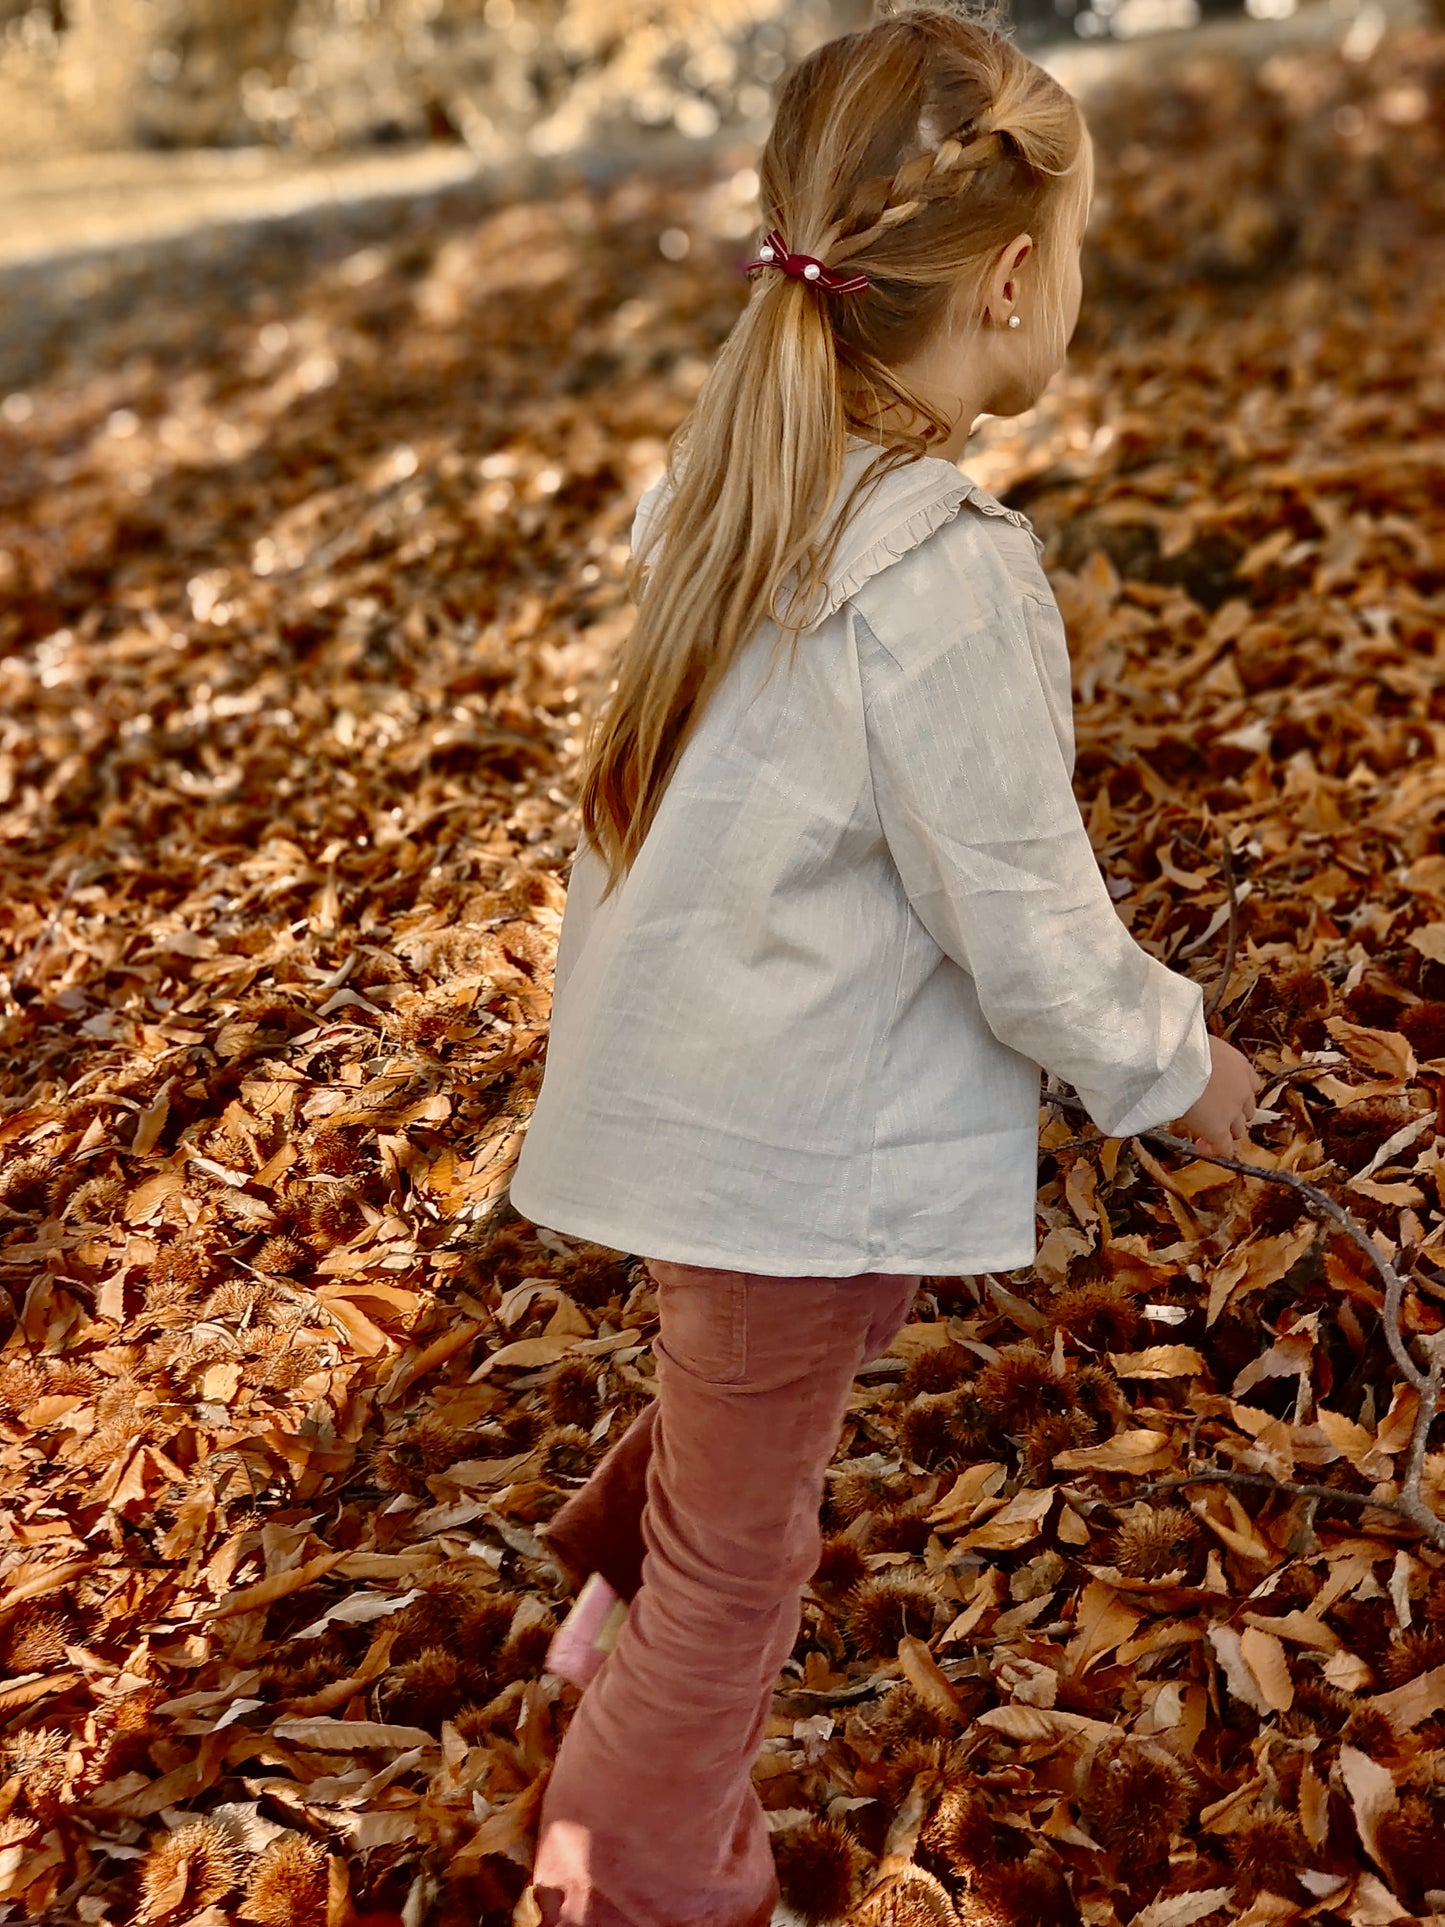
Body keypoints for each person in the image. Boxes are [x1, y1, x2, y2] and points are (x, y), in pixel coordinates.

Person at [506, 5, 1260, 1922]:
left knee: (807, 1347)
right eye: (1075, 254)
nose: (1073, 286)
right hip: (765, 1155)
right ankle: (629, 1873)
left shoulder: (743, 494)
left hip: (719, 1105)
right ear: (1010, 284)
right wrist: (1174, 1070)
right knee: (740, 1584)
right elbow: (1025, 924)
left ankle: (618, 1575)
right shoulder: (931, 585)